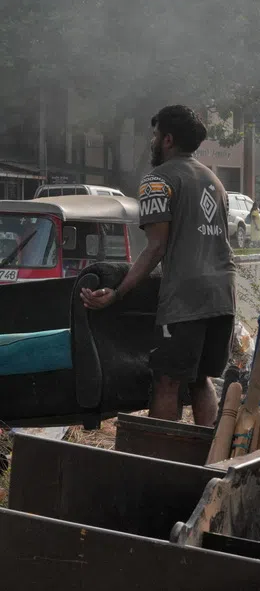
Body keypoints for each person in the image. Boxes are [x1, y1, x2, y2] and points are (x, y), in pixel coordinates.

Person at [80, 105, 235, 425]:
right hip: (223, 296)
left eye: (154, 135)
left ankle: (160, 461)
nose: (151, 141)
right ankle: (210, 459)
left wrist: (117, 293)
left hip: (186, 301)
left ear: (167, 139)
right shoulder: (214, 181)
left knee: (167, 381)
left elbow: (155, 248)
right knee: (200, 379)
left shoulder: (157, 181)